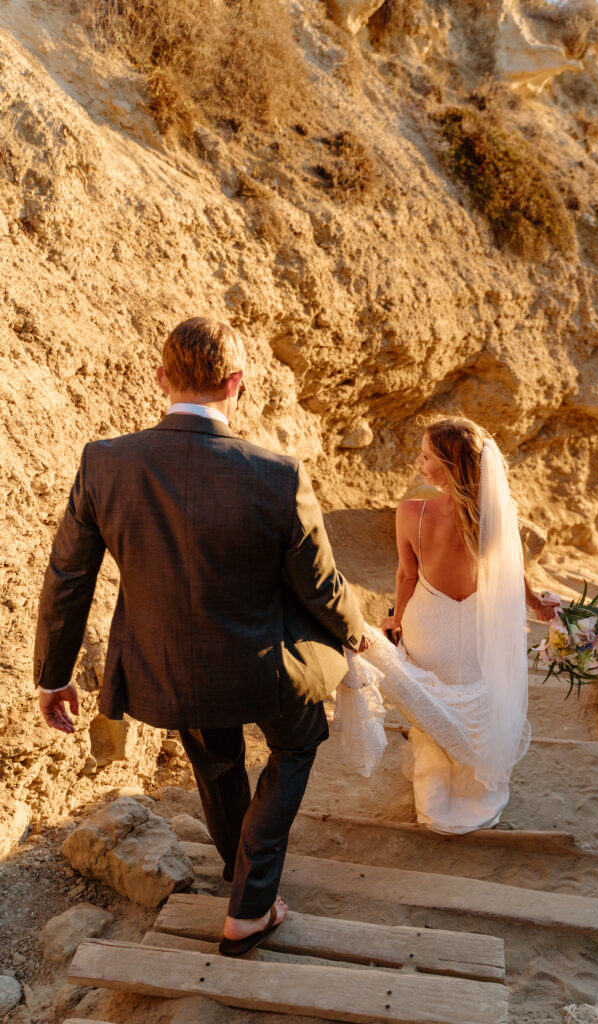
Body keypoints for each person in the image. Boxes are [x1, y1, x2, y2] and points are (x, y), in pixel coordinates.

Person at [34, 317, 367, 956]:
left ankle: (242, 874)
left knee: (216, 759)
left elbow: (67, 577)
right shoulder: (276, 473)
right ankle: (250, 903)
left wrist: (54, 674)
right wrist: (358, 636)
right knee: (297, 746)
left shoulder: (105, 463)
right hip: (266, 666)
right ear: (236, 382)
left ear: (160, 378)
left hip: (169, 670)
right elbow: (320, 586)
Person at [378, 416, 557, 834]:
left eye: (426, 456)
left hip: (429, 623)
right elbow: (513, 568)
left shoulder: (411, 512)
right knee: (478, 709)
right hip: (481, 626)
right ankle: (478, 795)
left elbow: (407, 576)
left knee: (435, 712)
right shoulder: (497, 511)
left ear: (448, 466)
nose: (419, 463)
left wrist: (396, 618)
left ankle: (435, 799)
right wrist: (535, 604)